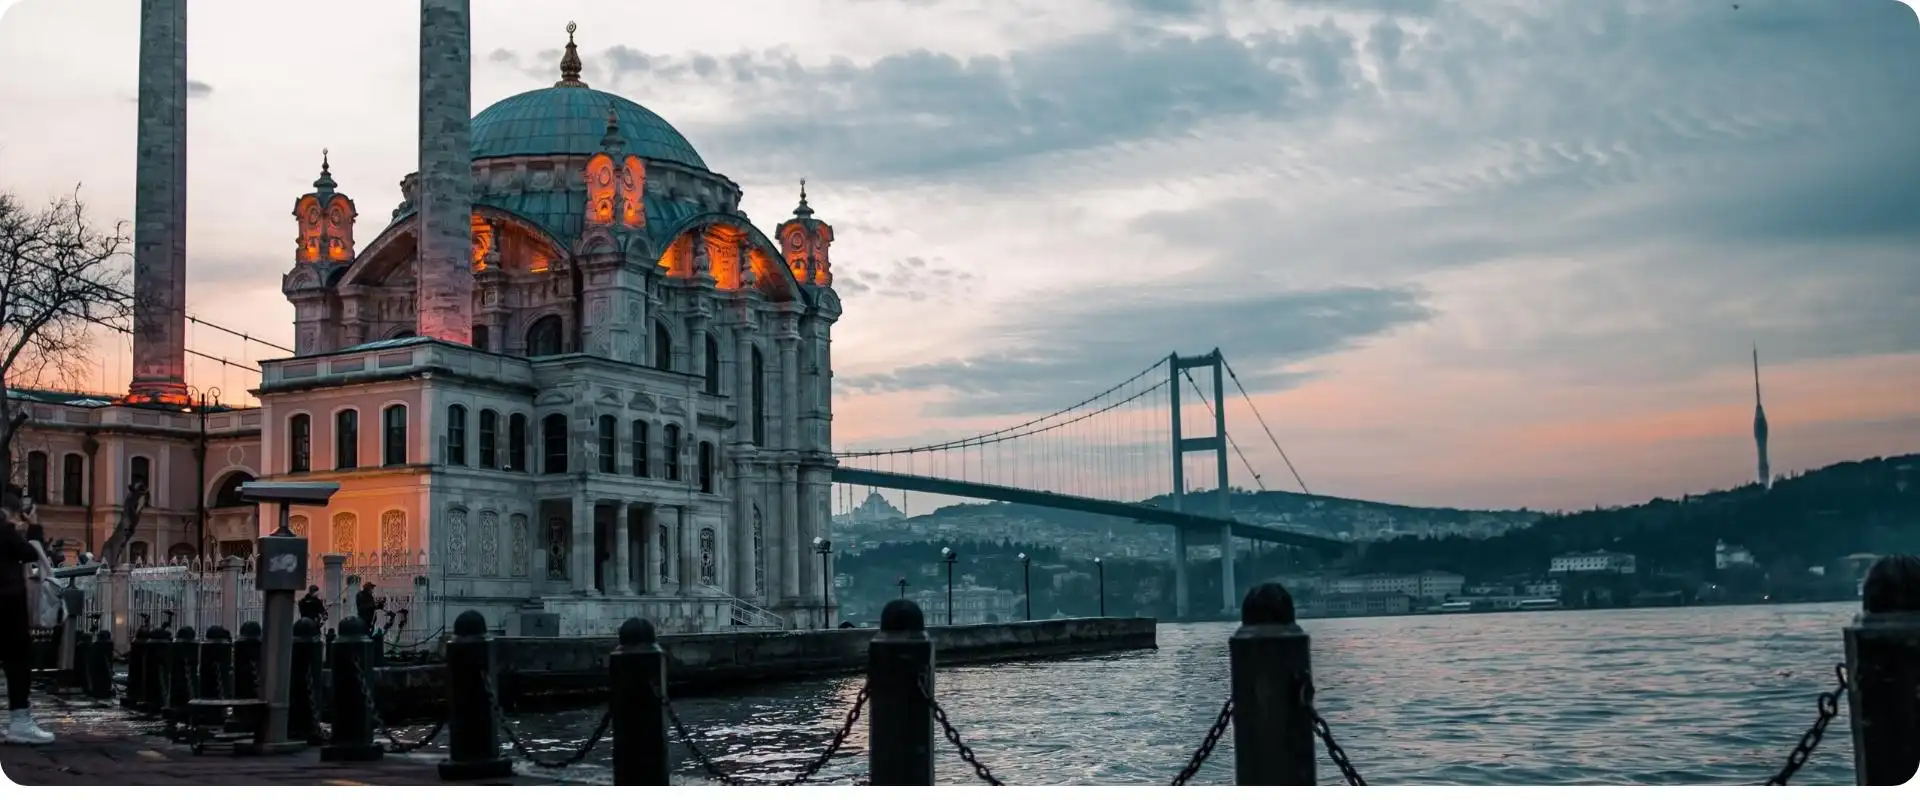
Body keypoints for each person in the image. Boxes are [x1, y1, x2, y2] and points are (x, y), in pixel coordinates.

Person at [1, 488, 56, 745]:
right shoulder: (5, 530)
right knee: (17, 660)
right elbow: (30, 554)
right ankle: (20, 722)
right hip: (8, 601)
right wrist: (34, 526)